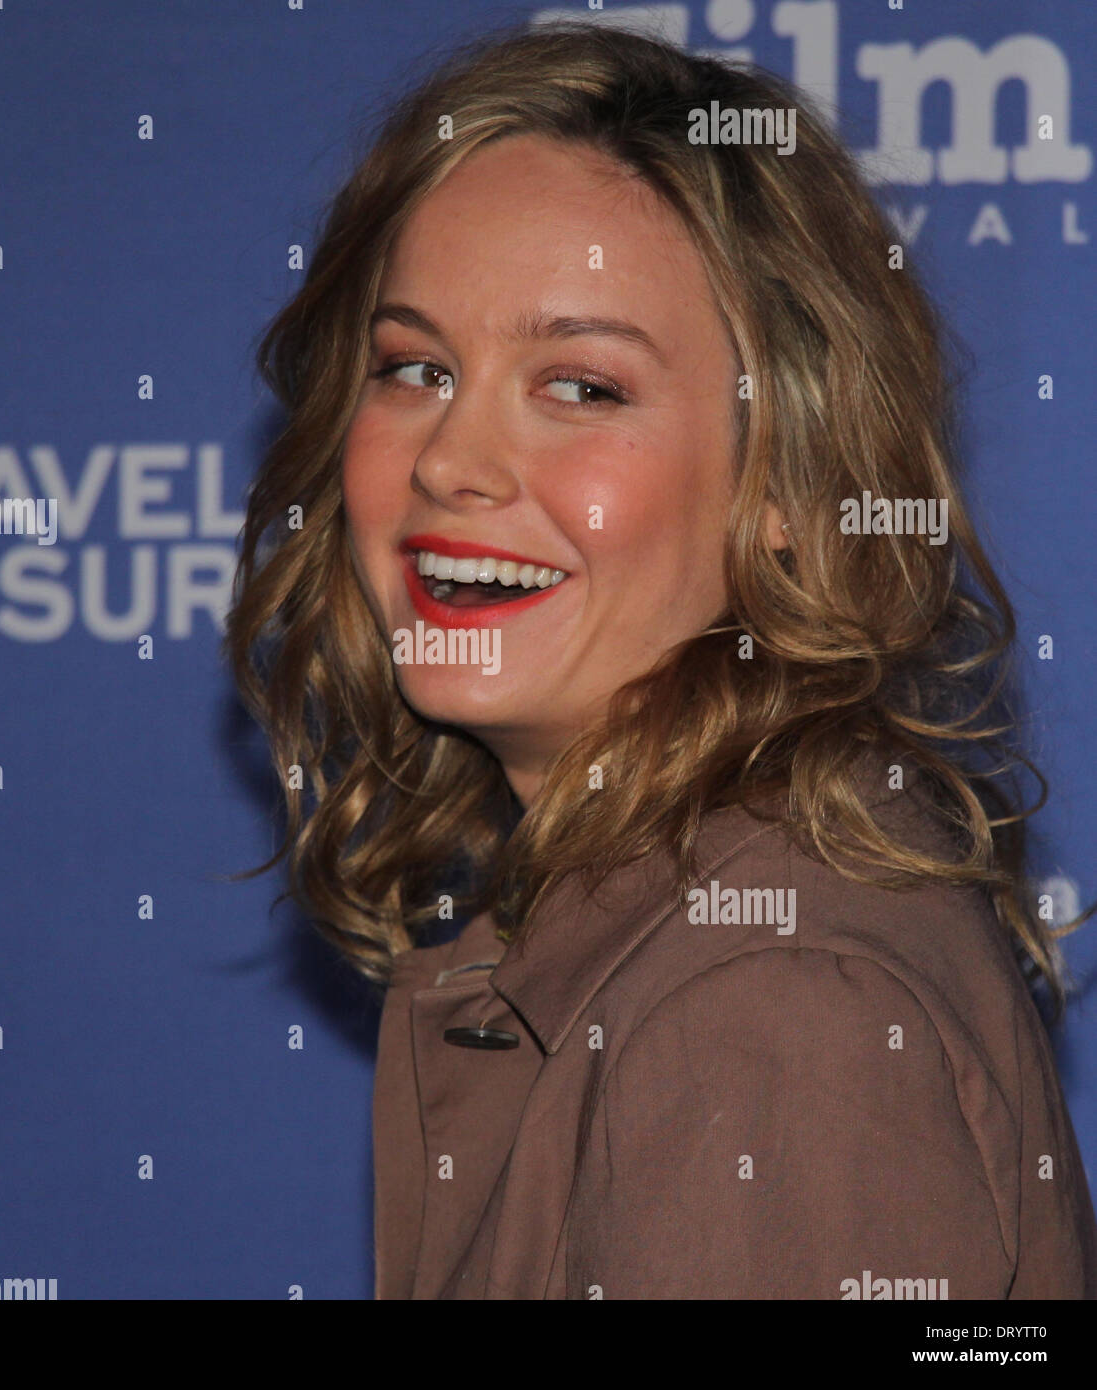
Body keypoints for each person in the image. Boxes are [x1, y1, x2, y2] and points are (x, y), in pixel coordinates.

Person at [225, 20, 1097, 1298]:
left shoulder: (768, 1011)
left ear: (791, 480)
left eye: (580, 386)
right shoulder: (680, 932)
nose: (446, 461)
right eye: (414, 367)